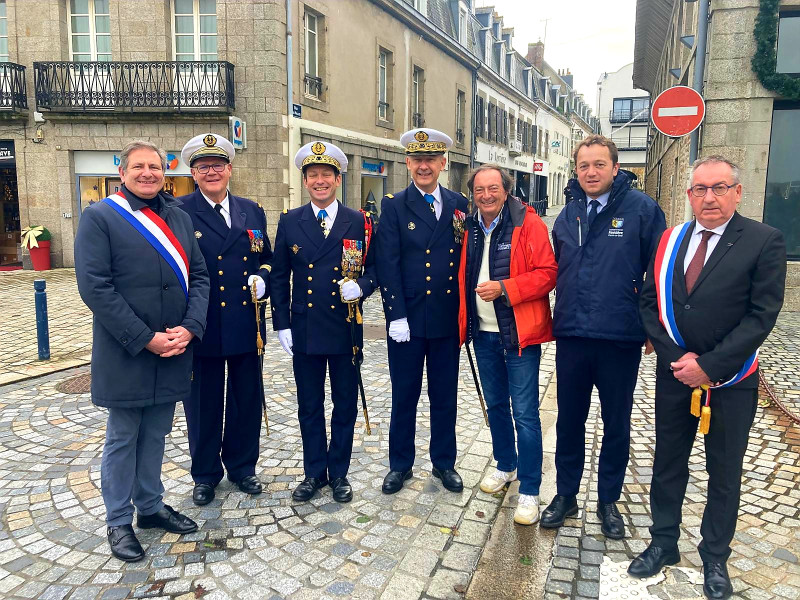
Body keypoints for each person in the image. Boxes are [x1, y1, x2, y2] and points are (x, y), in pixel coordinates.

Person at [629, 156, 786, 599]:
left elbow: (761, 317)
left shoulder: (763, 240)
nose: (709, 197)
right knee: (668, 461)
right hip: (675, 374)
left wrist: (710, 365)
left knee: (724, 469)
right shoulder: (669, 240)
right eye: (700, 189)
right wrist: (678, 358)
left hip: (732, 379)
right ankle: (663, 542)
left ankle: (715, 556)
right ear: (689, 195)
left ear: (737, 191)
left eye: (719, 188)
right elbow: (647, 303)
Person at [74, 140, 209, 562]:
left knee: (157, 434)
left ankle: (149, 507)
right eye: (139, 166)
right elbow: (95, 287)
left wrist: (190, 328)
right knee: (122, 438)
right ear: (123, 170)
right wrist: (144, 337)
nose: (148, 173)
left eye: (155, 166)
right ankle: (118, 521)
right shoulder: (100, 217)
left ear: (165, 172)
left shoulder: (179, 217)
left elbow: (200, 275)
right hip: (128, 351)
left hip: (173, 347)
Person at [543, 135, 666, 538]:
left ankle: (608, 500)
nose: (591, 172)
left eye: (599, 165)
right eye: (584, 166)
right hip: (574, 336)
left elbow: (659, 275)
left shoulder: (642, 211)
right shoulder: (568, 214)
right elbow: (556, 268)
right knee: (569, 421)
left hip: (620, 337)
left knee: (616, 422)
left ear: (615, 168)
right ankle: (565, 494)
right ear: (576, 170)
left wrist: (653, 326)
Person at [270, 141, 377, 503]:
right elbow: (279, 276)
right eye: (313, 175)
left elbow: (375, 268)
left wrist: (361, 287)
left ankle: (340, 473)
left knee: (344, 402)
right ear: (304, 181)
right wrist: (281, 324)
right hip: (306, 328)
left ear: (337, 179)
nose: (320, 181)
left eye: (326, 175)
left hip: (345, 327)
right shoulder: (290, 220)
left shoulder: (359, 221)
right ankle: (314, 472)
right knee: (309, 405)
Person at [457, 164, 557, 524]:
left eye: (493, 188)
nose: (486, 195)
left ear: (506, 189)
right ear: (473, 193)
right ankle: (505, 464)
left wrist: (505, 289)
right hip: (483, 333)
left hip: (518, 335)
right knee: (497, 405)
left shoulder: (527, 223)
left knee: (526, 415)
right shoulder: (469, 226)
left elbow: (548, 274)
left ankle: (530, 489)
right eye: (480, 189)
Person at [177, 133, 273, 506]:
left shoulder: (252, 210)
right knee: (202, 403)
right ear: (194, 173)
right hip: (203, 324)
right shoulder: (179, 211)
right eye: (204, 167)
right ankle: (204, 474)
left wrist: (263, 276)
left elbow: (266, 255)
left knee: (246, 398)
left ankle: (243, 467)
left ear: (230, 169)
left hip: (248, 322)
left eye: (218, 165)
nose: (212, 172)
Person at [374, 128, 469, 495]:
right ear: (408, 163)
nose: (424, 166)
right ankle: (400, 464)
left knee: (444, 395)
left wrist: (467, 315)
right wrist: (395, 314)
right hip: (408, 321)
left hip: (445, 318)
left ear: (443, 163)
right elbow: (388, 261)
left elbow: (463, 259)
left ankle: (444, 463)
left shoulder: (459, 203)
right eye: (418, 160)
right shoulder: (395, 205)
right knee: (405, 395)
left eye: (431, 159)